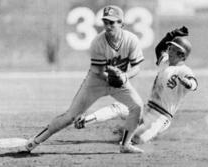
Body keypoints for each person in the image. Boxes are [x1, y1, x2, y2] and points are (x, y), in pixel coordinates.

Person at [24, 5, 145, 153]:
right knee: (70, 116)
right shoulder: (97, 42)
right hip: (96, 81)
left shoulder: (131, 40)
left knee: (137, 106)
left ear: (121, 24)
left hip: (120, 80)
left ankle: (125, 145)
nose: (108, 26)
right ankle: (35, 141)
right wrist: (115, 78)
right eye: (105, 22)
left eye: (112, 22)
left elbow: (137, 67)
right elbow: (99, 72)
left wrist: (125, 76)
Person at [74, 26, 198, 152]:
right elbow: (159, 49)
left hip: (161, 117)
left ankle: (130, 134)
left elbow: (194, 84)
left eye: (173, 49)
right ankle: (85, 120)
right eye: (170, 48)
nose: (169, 51)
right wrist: (171, 34)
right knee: (118, 107)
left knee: (138, 138)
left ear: (181, 55)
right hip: (147, 107)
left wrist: (188, 83)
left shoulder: (184, 70)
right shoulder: (165, 61)